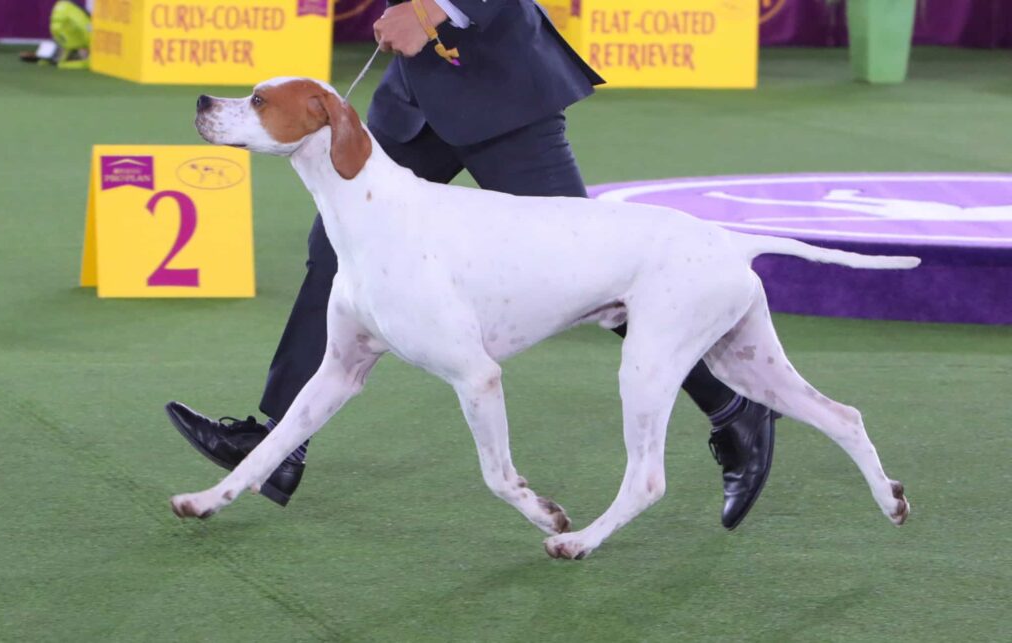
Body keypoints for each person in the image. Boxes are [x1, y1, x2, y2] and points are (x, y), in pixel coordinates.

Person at [166, 0, 776, 529]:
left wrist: (433, 8)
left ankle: (733, 409)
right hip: (413, 96)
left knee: (602, 270)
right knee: (335, 251)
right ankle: (279, 442)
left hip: (503, 92)